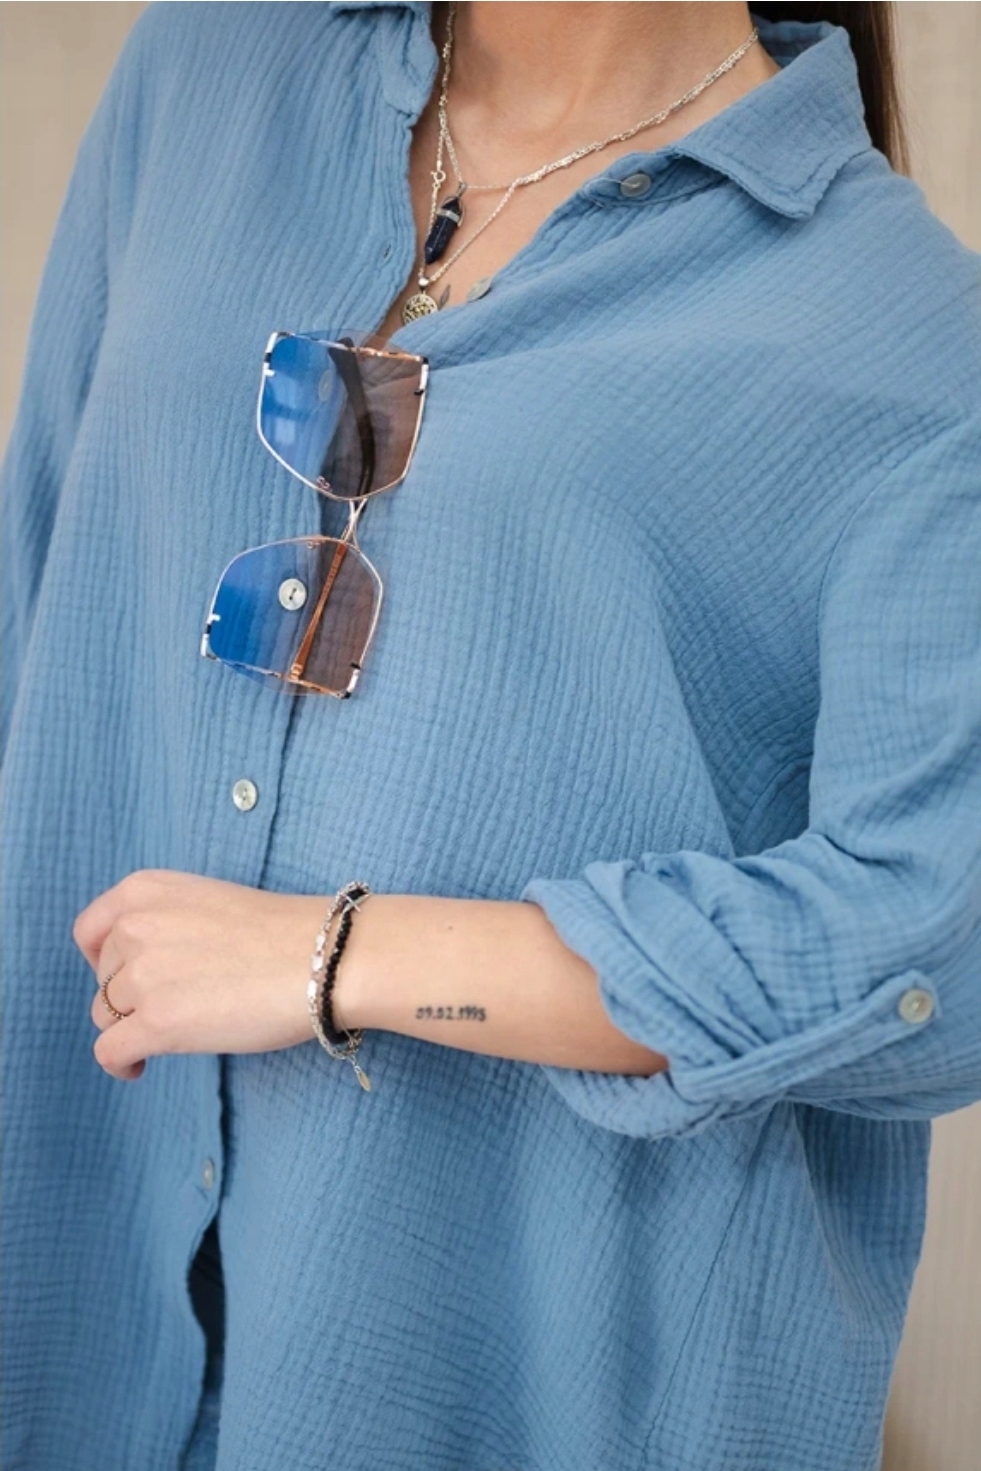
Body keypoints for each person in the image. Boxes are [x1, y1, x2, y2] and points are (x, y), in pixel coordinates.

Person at [2, 2, 979, 1468]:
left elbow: (936, 955)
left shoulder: (906, 335)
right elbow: (37, 588)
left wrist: (344, 957)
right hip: (62, 1284)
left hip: (486, 1363)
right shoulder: (204, 70)